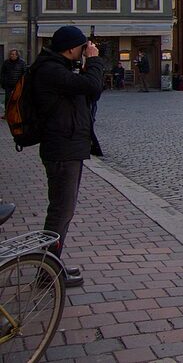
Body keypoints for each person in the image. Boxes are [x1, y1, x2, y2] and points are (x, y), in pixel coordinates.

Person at [31, 26, 104, 289]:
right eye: (83, 47)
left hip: (67, 147)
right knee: (61, 211)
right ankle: (45, 271)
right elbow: (92, 85)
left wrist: (87, 66)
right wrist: (94, 62)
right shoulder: (51, 70)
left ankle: (50, 265)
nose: (85, 50)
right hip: (62, 150)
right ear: (72, 48)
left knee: (63, 211)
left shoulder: (56, 68)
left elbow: (89, 92)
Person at [1, 48, 26, 116]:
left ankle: (18, 114)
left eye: (13, 54)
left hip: (18, 85)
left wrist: (22, 84)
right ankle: (7, 113)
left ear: (17, 55)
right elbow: (3, 73)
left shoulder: (22, 63)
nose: (11, 55)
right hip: (8, 84)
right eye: (10, 54)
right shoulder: (6, 62)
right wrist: (3, 82)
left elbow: (24, 73)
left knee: (18, 100)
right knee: (8, 99)